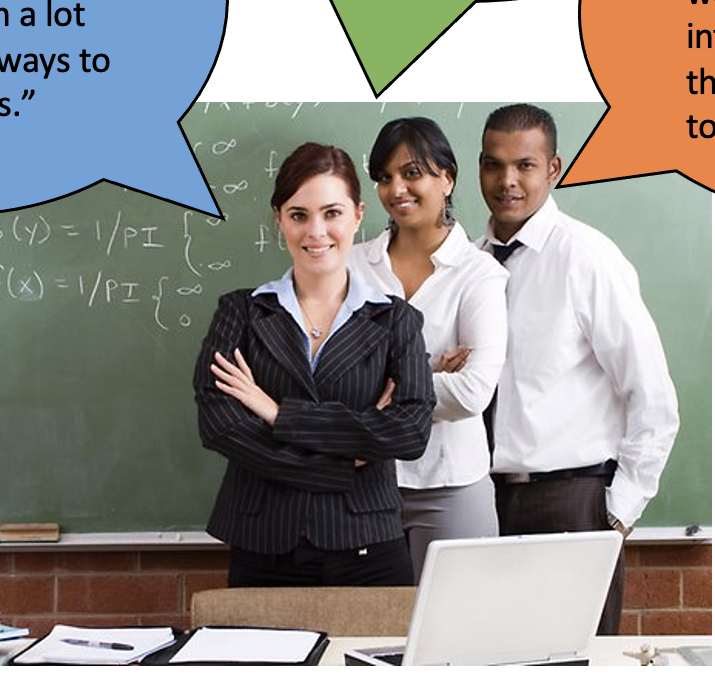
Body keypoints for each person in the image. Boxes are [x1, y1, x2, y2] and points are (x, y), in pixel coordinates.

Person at [193, 142, 435, 586]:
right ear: (280, 219)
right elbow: (221, 426)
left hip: (367, 544)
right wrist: (344, 462)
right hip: (262, 541)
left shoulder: (396, 319)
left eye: (332, 213)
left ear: (358, 215)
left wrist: (278, 413)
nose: (316, 231)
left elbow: (410, 430)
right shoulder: (240, 313)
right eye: (298, 214)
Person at [477, 104, 679, 634]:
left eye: (524, 165)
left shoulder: (586, 258)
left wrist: (618, 512)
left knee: (575, 659)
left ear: (554, 168)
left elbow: (653, 396)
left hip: (570, 503)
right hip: (482, 505)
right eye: (493, 165)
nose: (507, 181)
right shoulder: (471, 263)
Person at [352, 116, 508, 579]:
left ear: (447, 177)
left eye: (412, 172)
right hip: (361, 485)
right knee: (365, 634)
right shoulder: (353, 267)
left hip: (451, 484)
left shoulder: (479, 274)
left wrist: (380, 386)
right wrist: (431, 369)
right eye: (384, 177)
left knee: (463, 633)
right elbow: (330, 382)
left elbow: (474, 393)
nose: (396, 188)